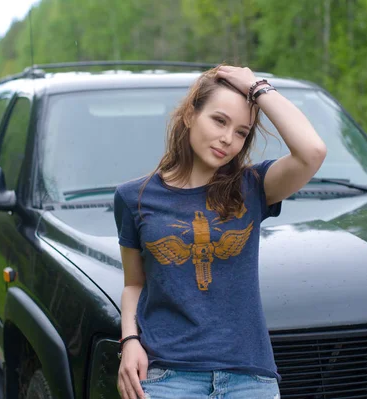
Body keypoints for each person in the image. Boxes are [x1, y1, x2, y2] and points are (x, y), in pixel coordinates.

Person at [113, 65, 327, 399]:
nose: (228, 138)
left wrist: (257, 87)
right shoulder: (133, 198)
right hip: (170, 377)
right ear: (190, 115)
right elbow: (134, 284)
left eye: (242, 132)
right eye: (219, 120)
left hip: (249, 380)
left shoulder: (252, 188)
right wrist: (130, 342)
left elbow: (312, 151)